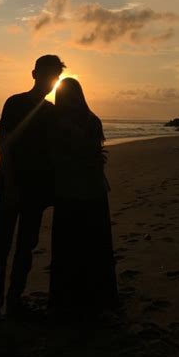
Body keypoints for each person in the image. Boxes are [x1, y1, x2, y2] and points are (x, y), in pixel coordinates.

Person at [0, 55, 66, 331]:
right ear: (34, 74)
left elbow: (54, 153)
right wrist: (10, 184)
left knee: (25, 249)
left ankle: (14, 302)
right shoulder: (15, 103)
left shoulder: (52, 111)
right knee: (0, 249)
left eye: (55, 77)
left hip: (38, 190)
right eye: (46, 76)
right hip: (10, 187)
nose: (50, 82)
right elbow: (4, 145)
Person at [48, 78, 119, 317]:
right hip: (84, 190)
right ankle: (90, 298)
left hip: (80, 191)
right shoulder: (82, 121)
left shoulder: (75, 122)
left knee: (76, 247)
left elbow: (87, 155)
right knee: (89, 246)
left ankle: (79, 300)